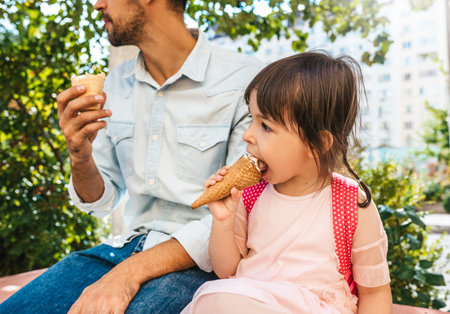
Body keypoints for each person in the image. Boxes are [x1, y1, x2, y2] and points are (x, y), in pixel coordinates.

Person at [0, 0, 262, 313]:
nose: (98, 5)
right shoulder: (113, 84)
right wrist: (80, 155)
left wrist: (127, 275)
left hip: (201, 261)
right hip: (123, 249)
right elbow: (101, 201)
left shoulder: (246, 82)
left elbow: (241, 212)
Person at [182, 52, 392, 314]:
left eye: (266, 126)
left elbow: (375, 292)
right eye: (252, 119)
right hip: (249, 303)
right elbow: (227, 271)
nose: (248, 135)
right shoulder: (252, 195)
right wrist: (223, 221)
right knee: (218, 298)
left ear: (317, 144)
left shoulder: (350, 203)